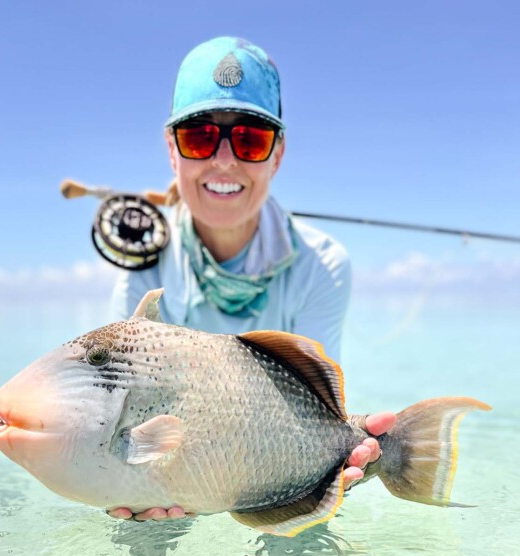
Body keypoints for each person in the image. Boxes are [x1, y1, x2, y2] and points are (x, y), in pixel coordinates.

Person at [109, 36, 395, 521]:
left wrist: (347, 443)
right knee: (143, 549)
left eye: (250, 139)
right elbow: (123, 408)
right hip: (168, 470)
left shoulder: (323, 264)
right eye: (198, 136)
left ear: (278, 154)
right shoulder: (142, 266)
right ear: (172, 151)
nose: (224, 161)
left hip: (277, 466)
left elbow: (319, 404)